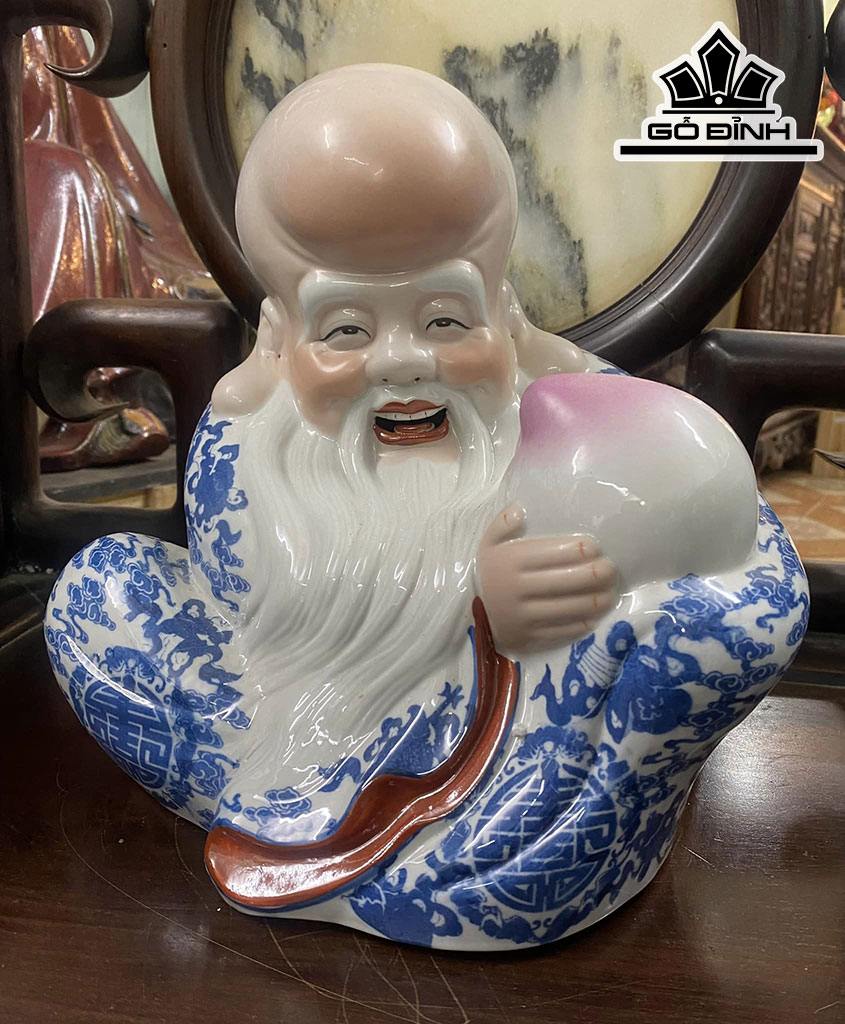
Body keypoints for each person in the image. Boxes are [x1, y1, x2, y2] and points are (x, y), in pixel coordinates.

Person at [46, 65, 807, 951]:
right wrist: (469, 594)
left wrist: (508, 623)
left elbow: (724, 537)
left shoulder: (577, 414)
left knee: (686, 637)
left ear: (503, 314)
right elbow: (255, 596)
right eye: (346, 329)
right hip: (283, 710)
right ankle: (275, 801)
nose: (402, 362)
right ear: (281, 335)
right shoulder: (253, 437)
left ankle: (460, 862)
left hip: (492, 742)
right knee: (98, 593)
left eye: (444, 320)